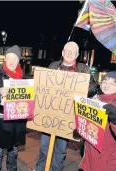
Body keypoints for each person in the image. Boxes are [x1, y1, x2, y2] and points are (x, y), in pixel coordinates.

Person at [35, 41, 98, 171]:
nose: (69, 53)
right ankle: (40, 168)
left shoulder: (84, 69)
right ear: (63, 52)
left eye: (72, 51)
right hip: (50, 114)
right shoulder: (53, 65)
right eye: (66, 50)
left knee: (61, 150)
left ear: (77, 54)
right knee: (44, 147)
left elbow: (93, 88)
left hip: (67, 117)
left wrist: (81, 88)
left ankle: (56, 169)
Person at [0, 45, 26, 171]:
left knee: (14, 149)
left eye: (15, 59)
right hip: (3, 121)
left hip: (17, 121)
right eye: (9, 58)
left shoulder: (22, 77)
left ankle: (12, 168)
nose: (11, 62)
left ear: (19, 60)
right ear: (5, 59)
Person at [74, 71, 116, 171]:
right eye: (105, 81)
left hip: (107, 159)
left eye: (112, 83)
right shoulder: (94, 99)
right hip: (89, 153)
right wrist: (81, 129)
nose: (107, 85)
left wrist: (115, 120)